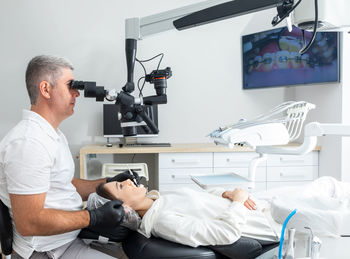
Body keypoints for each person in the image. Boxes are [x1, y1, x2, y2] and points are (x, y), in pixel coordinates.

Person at [0, 55, 139, 259]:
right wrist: (93, 217)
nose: (76, 93)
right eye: (70, 86)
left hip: (67, 239)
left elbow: (62, 184)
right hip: (47, 252)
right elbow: (29, 222)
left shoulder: (52, 134)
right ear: (45, 89)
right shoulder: (29, 142)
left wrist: (108, 182)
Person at [94, 176, 350, 248]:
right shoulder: (162, 220)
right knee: (340, 212)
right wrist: (238, 201)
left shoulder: (160, 200)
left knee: (328, 185)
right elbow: (224, 232)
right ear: (123, 207)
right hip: (274, 222)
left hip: (263, 205)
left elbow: (202, 202)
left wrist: (226, 194)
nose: (127, 181)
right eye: (120, 186)